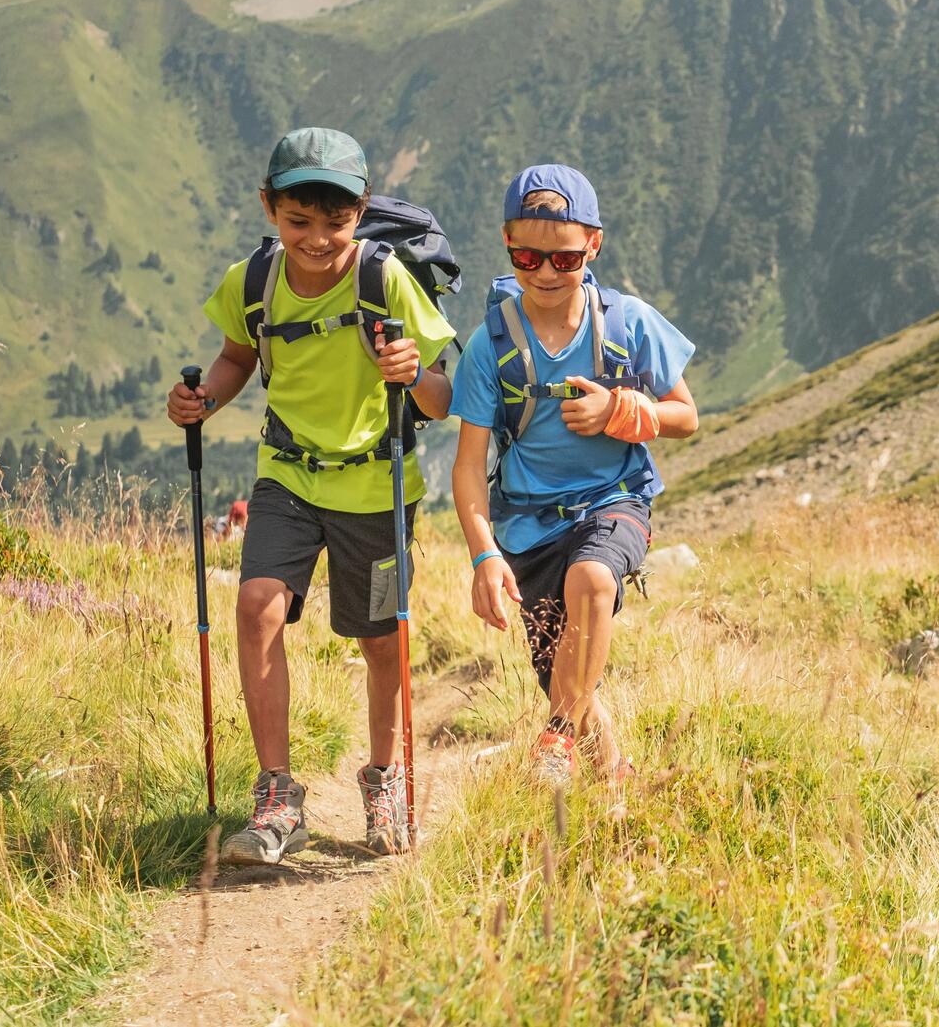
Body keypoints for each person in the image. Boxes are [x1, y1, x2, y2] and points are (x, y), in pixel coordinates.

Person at [167, 127, 455, 862]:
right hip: (287, 475)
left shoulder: (386, 280)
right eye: (299, 221)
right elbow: (235, 356)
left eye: (335, 222)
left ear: (360, 211)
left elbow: (440, 396)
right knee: (257, 604)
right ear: (269, 207)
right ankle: (276, 795)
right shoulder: (254, 280)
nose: (318, 239)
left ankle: (384, 776)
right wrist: (205, 401)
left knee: (379, 636)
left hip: (375, 482)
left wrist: (407, 372)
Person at [450, 165, 697, 787]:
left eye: (564, 258)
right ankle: (617, 794)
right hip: (527, 530)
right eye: (527, 256)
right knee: (577, 682)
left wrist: (623, 410)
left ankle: (552, 740)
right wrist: (484, 556)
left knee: (592, 579)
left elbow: (685, 416)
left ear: (594, 244)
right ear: (507, 243)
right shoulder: (491, 345)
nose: (545, 273)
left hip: (614, 500)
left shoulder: (628, 322)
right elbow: (468, 466)